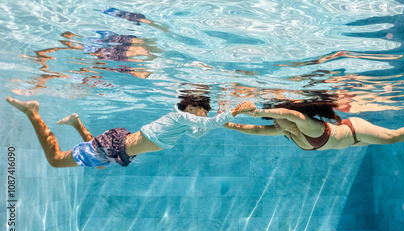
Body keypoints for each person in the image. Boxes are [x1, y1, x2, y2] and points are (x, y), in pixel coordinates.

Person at [6, 95, 255, 169]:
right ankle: (33, 112)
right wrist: (236, 111)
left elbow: (201, 131)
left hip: (118, 147)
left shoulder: (183, 124)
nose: (204, 116)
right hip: (117, 145)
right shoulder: (180, 116)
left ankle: (76, 123)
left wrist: (225, 121)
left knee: (99, 162)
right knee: (56, 160)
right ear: (191, 106)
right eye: (203, 111)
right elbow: (207, 125)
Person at [224, 100, 404, 157]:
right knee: (387, 141)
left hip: (354, 130)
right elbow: (256, 130)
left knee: (390, 138)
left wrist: (257, 111)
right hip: (349, 143)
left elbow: (289, 114)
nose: (275, 124)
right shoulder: (286, 130)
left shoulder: (307, 124)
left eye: (275, 119)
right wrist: (229, 124)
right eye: (274, 122)